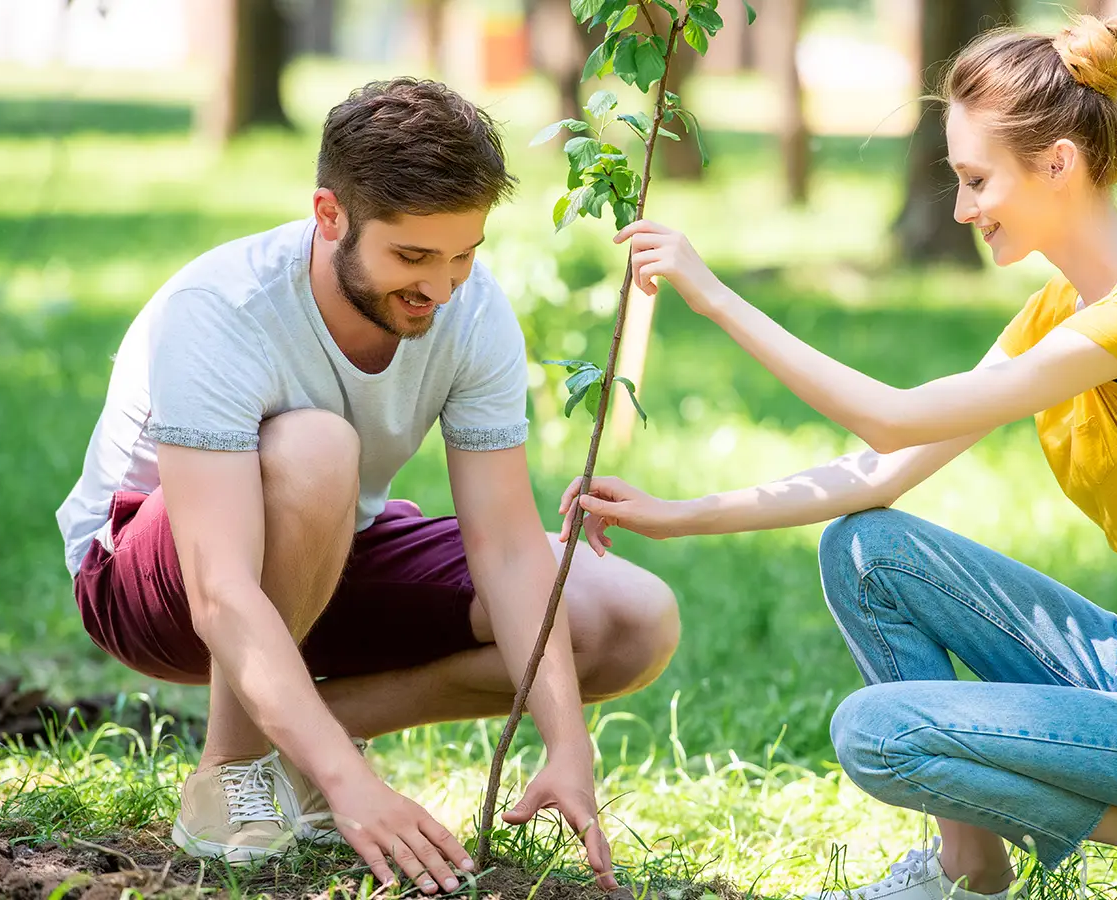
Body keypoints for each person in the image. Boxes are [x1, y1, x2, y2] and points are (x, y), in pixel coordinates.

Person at [555, 14, 1117, 900]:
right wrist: (682, 515)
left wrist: (715, 296)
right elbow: (883, 471)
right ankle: (970, 867)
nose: (962, 209)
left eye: (976, 179)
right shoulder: (1061, 311)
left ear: (1060, 163)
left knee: (882, 733)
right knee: (867, 550)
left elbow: (890, 418)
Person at [55, 78, 680, 893]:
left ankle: (304, 750)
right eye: (412, 257)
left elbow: (507, 546)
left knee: (626, 619)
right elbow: (218, 591)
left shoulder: (469, 308)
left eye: (464, 254)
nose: (440, 288)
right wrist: (359, 791)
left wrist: (568, 743)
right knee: (316, 448)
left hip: (323, 550)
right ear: (329, 216)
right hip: (156, 585)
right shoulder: (221, 309)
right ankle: (231, 770)